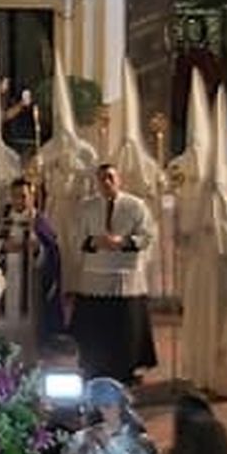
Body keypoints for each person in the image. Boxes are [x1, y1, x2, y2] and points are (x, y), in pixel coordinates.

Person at [66, 160, 156, 385]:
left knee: (125, 326)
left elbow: (147, 236)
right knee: (95, 326)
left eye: (111, 178)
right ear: (96, 182)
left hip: (125, 275)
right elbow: (75, 236)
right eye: (102, 178)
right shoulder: (86, 207)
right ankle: (94, 365)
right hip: (95, 275)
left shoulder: (136, 206)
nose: (106, 182)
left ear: (119, 180)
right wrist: (94, 241)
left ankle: (127, 369)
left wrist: (123, 241)